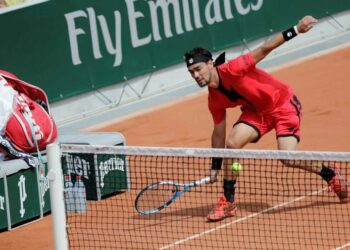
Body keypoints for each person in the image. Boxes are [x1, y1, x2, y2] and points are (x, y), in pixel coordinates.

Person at [184, 15, 349, 222]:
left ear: (210, 64)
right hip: (256, 113)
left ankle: (330, 173)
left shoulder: (233, 68)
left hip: (283, 105)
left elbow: (265, 48)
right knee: (232, 144)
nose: (196, 75)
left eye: (198, 69)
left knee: (287, 158)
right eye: (191, 72)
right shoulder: (214, 99)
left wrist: (296, 29)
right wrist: (216, 165)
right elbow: (218, 132)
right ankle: (228, 200)